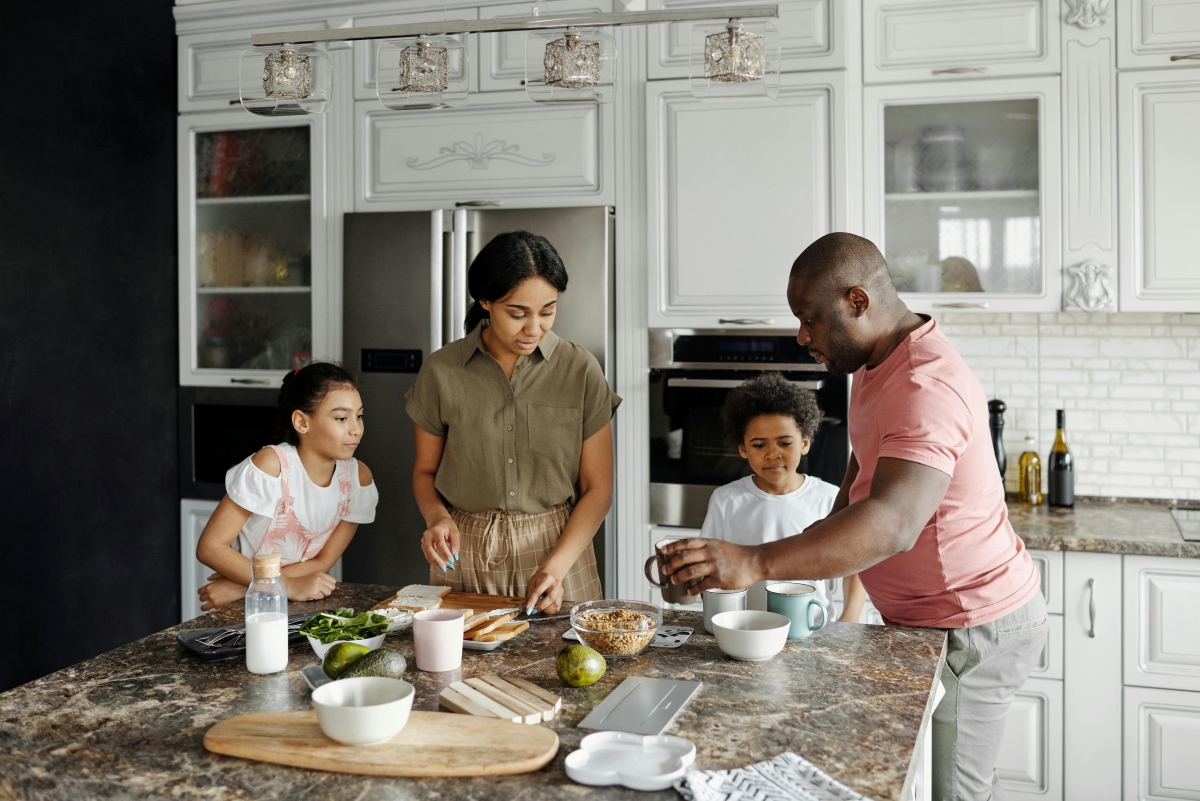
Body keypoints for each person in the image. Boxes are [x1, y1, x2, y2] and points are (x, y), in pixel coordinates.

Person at [661, 232, 1046, 801]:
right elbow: (861, 470)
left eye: (810, 319)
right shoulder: (875, 362)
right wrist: (800, 547)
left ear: (858, 302)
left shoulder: (924, 385)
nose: (801, 336)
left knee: (953, 794)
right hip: (923, 620)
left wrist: (756, 560)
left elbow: (892, 522)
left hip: (971, 623)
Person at [406, 231, 621, 616]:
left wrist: (554, 569)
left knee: (569, 668)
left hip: (559, 551)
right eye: (517, 313)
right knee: (460, 670)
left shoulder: (580, 370)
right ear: (485, 301)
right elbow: (425, 472)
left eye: (548, 311)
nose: (534, 328)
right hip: (465, 551)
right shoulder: (441, 371)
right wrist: (437, 518)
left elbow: (598, 488)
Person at [196, 363, 378, 610]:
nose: (356, 429)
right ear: (302, 423)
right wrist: (286, 585)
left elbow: (322, 562)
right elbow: (210, 547)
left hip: (284, 599)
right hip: (248, 609)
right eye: (342, 418)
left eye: (359, 416)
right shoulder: (272, 466)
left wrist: (243, 585)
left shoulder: (357, 479)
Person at [700, 373, 866, 621]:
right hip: (748, 628)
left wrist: (849, 618)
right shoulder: (725, 500)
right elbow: (708, 568)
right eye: (759, 445)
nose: (772, 454)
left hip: (814, 630)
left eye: (785, 443)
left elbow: (856, 565)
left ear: (805, 443)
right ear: (742, 448)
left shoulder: (831, 498)